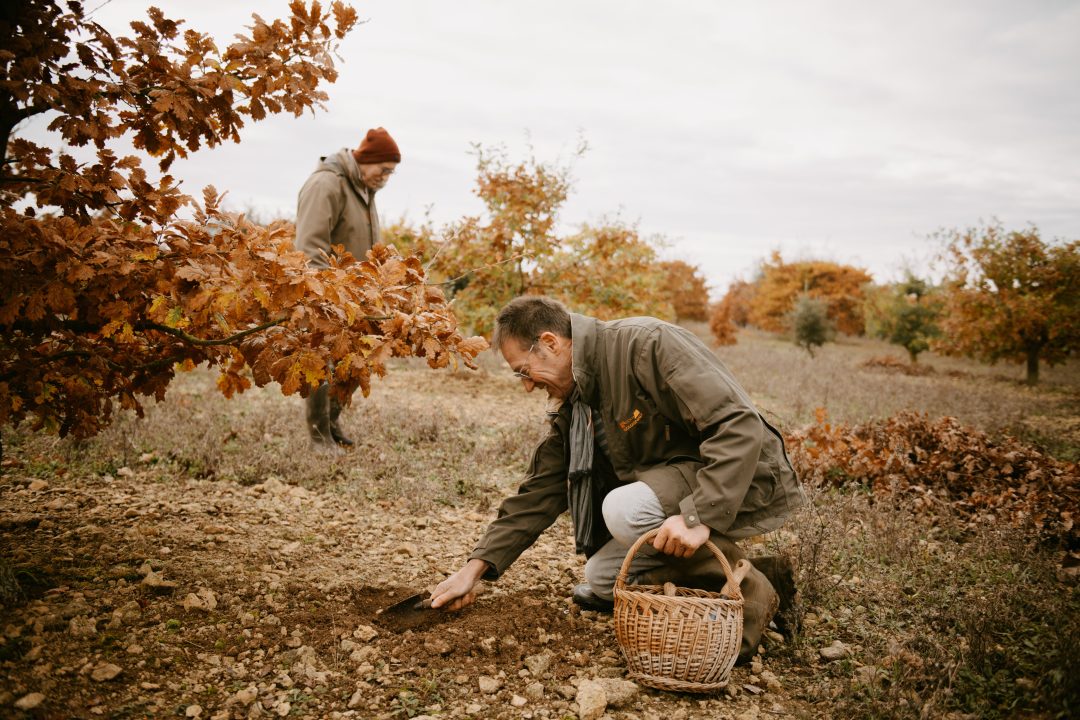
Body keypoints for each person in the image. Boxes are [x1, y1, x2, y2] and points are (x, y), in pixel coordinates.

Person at [430, 296, 805, 661]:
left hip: (742, 477)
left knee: (623, 510)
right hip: (680, 486)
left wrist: (698, 516)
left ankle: (752, 594)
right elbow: (538, 493)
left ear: (551, 343)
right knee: (603, 578)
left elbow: (737, 424)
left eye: (524, 372)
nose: (527, 385)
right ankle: (758, 572)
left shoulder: (647, 344)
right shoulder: (576, 405)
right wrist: (474, 570)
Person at [293, 127, 401, 449]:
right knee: (322, 364)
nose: (385, 178)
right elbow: (309, 249)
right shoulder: (326, 184)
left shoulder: (364, 191)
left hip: (358, 298)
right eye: (384, 170)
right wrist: (326, 299)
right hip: (329, 297)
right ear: (366, 160)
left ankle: (331, 422)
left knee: (357, 360)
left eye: (390, 173)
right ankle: (318, 436)